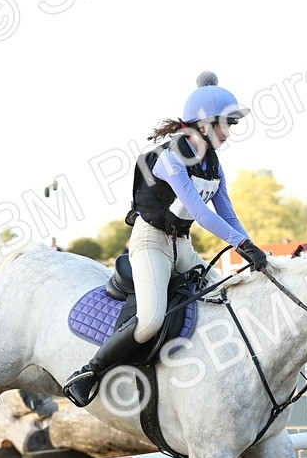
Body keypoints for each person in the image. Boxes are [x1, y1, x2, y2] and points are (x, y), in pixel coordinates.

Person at [63, 71, 269, 407]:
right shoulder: (171, 158)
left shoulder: (213, 164)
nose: (229, 133)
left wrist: (255, 249)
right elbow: (201, 213)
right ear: (204, 124)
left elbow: (228, 215)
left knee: (226, 301)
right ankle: (90, 372)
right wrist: (242, 247)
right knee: (149, 322)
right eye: (225, 124)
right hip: (150, 243)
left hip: (182, 245)